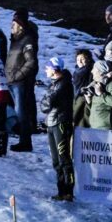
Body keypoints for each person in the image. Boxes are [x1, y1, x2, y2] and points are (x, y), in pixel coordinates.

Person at [39, 57, 74, 201]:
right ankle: (61, 191)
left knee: (63, 158)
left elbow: (48, 103)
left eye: (47, 67)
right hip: (51, 122)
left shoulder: (64, 84)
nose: (45, 70)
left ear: (54, 69)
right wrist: (47, 101)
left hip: (60, 123)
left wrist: (47, 100)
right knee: (56, 161)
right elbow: (44, 105)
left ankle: (68, 191)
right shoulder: (54, 84)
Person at [6, 10, 39, 152]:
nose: (11, 26)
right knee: (18, 112)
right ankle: (22, 138)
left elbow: (31, 62)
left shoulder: (27, 40)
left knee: (22, 113)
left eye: (14, 24)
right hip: (12, 81)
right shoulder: (15, 39)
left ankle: (25, 142)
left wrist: (17, 75)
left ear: (20, 26)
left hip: (20, 82)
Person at [85, 61, 112, 130]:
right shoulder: (96, 85)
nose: (92, 71)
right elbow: (97, 106)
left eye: (94, 69)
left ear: (100, 71)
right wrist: (89, 101)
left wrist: (101, 94)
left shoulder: (111, 84)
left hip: (106, 127)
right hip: (95, 126)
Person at [70, 49, 94, 128]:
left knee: (82, 122)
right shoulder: (77, 71)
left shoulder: (92, 71)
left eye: (82, 59)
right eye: (77, 59)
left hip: (85, 99)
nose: (79, 61)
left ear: (88, 59)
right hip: (76, 97)